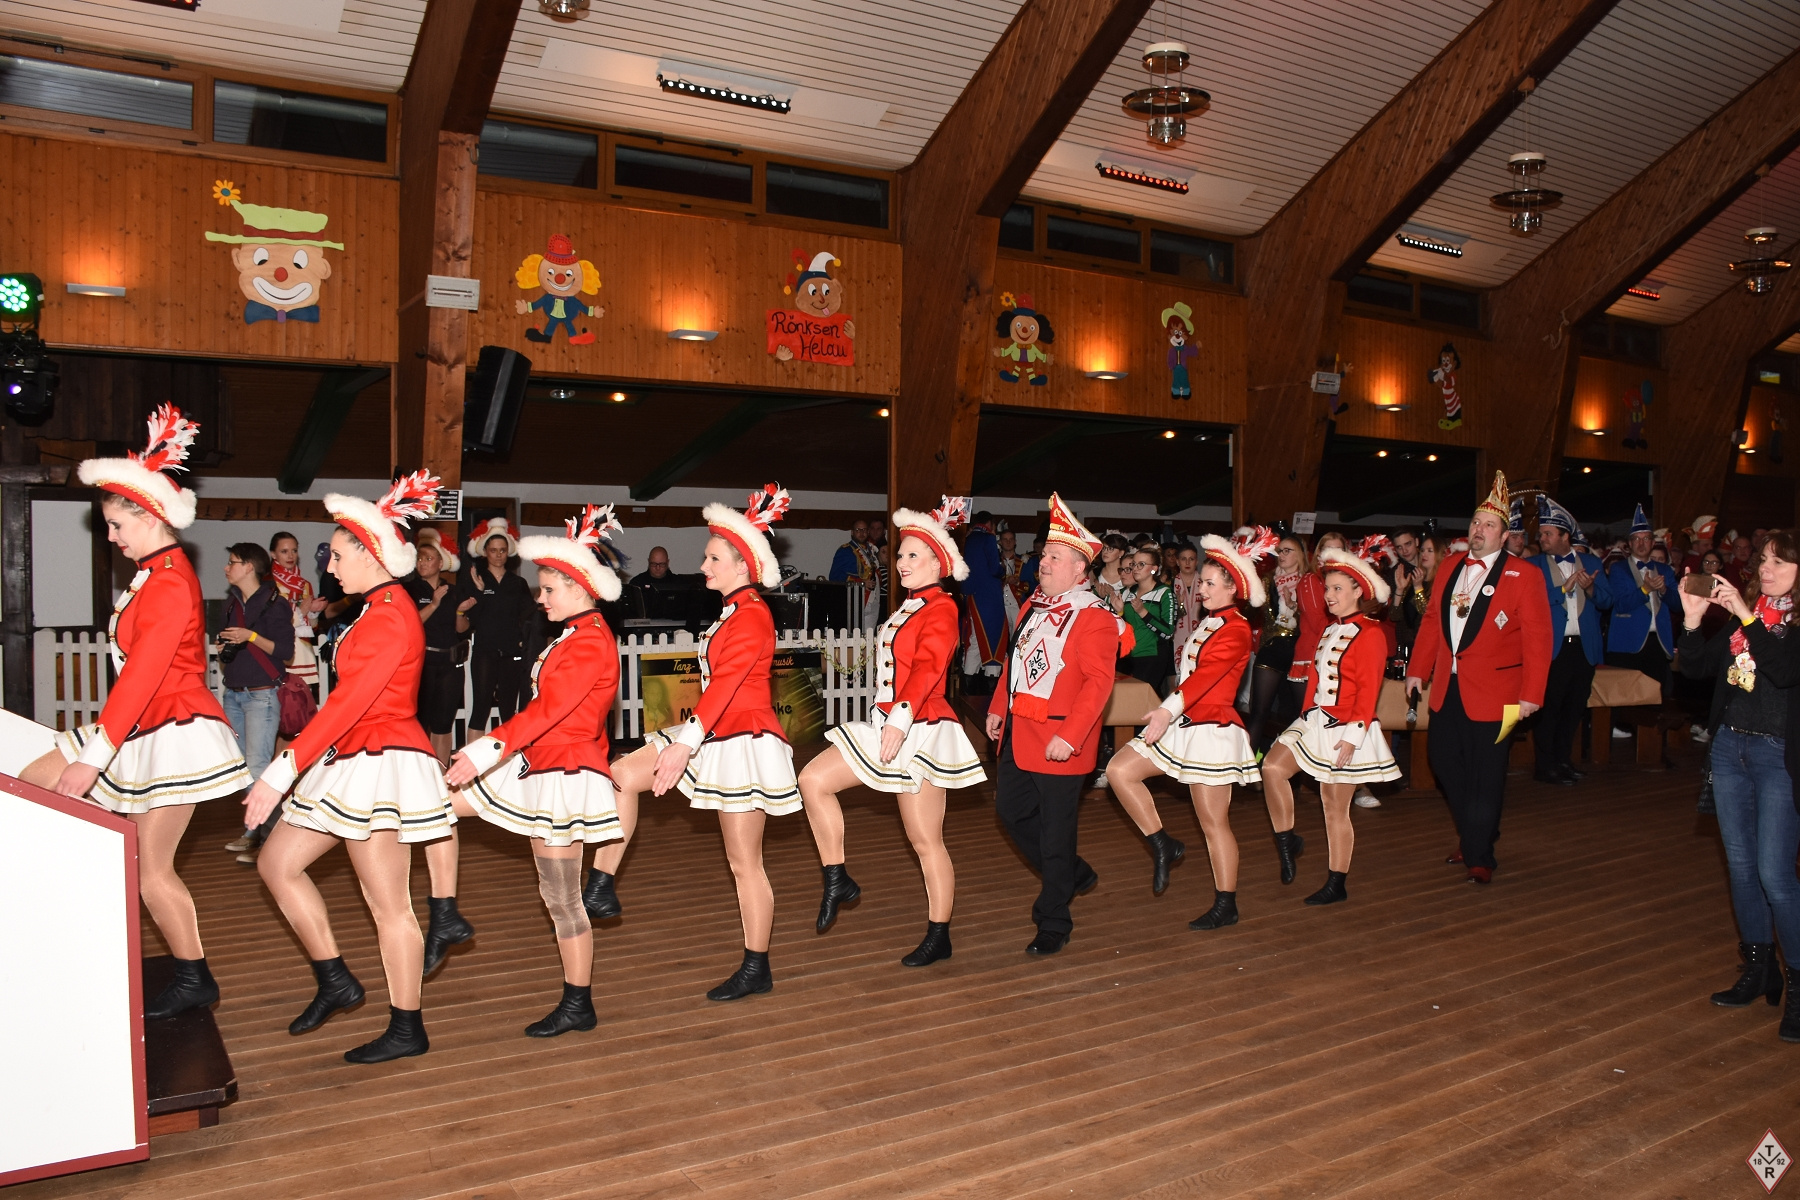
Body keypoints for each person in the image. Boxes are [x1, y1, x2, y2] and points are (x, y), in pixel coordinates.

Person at [21, 406, 251, 1020]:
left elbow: (147, 674)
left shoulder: (170, 581)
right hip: (142, 723)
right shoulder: (153, 575)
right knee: (29, 786)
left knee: (151, 871)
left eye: (118, 524)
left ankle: (193, 977)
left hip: (174, 729)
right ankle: (62, 928)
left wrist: (93, 757)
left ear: (150, 516)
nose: (112, 536)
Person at [242, 473, 460, 1063]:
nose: (330, 566)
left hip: (382, 761)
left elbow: (350, 702)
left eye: (339, 555)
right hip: (351, 756)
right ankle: (335, 978)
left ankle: (407, 1025)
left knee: (388, 906)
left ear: (371, 554)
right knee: (277, 864)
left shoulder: (390, 615)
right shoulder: (374, 609)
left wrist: (282, 768)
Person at [603, 485, 802, 1000]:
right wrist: (690, 737)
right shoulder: (732, 611)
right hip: (712, 730)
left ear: (741, 565)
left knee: (744, 863)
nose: (703, 565)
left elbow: (729, 682)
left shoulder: (753, 613)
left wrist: (685, 742)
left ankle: (757, 966)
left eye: (713, 558)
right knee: (622, 773)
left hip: (744, 740)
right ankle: (601, 887)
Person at [447, 505, 625, 1037]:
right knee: (437, 809)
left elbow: (551, 710)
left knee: (562, 898)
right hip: (541, 761)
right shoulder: (575, 633)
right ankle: (442, 913)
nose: (540, 598)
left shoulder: (589, 640)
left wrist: (485, 749)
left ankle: (578, 1003)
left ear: (579, 587)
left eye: (548, 589)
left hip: (563, 774)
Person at [801, 497, 987, 966]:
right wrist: (890, 718)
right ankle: (837, 877)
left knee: (925, 840)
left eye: (911, 555)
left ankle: (939, 934)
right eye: (899, 554)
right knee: (813, 780)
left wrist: (901, 718)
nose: (900, 562)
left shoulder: (942, 608)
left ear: (937, 564)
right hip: (886, 721)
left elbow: (928, 667)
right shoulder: (907, 606)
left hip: (921, 727)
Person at [1105, 527, 1276, 928]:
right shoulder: (1208, 621)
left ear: (1233, 589)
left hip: (1213, 729)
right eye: (1203, 582)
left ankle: (1226, 903)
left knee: (1213, 823)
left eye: (1211, 584)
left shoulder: (1236, 629)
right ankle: (1163, 843)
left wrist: (1166, 710)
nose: (1201, 589)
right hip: (1184, 721)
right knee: (1119, 770)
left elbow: (1206, 678)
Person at [983, 493, 1131, 955]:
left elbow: (1098, 685)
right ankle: (1073, 872)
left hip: (1062, 739)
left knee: (1054, 834)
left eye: (1052, 557)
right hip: (1020, 732)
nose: (1042, 562)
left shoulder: (1095, 617)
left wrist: (1070, 737)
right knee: (1010, 812)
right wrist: (998, 706)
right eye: (1044, 555)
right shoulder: (1034, 604)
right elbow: (1014, 661)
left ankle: (1054, 920)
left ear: (1079, 569)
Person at [1678, 533, 1800, 1043]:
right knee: (1743, 869)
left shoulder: (1774, 621)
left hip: (1777, 757)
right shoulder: (1749, 616)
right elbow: (1697, 668)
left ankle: (1799, 987)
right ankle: (1759, 969)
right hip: (1731, 749)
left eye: (1780, 562)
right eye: (1764, 560)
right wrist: (1691, 619)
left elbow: (1784, 670)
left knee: (1776, 875)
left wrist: (1748, 616)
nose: (1766, 569)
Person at [1405, 472, 1552, 885]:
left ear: (1504, 536)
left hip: (1500, 694)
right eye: (1475, 522)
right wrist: (1417, 669)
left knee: (1487, 774)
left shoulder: (1524, 575)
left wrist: (1532, 693)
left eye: (1489, 525)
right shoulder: (1451, 565)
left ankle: (1479, 854)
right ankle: (1476, 833)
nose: (1478, 530)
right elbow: (1432, 622)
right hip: (1447, 688)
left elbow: (1539, 639)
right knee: (1443, 761)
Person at [1259, 537, 1401, 904]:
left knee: (1333, 807)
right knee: (1272, 767)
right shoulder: (1328, 629)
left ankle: (1337, 882)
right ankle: (1287, 839)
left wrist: (1353, 737)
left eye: (1338, 589)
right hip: (1316, 718)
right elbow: (1316, 681)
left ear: (1359, 591)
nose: (1329, 595)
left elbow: (1368, 691)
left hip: (1348, 726)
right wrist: (1305, 717)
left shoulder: (1371, 634)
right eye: (1328, 588)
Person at [1525, 498, 1611, 786]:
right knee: (1548, 710)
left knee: (1574, 709)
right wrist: (1563, 589)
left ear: (1565, 537)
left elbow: (1608, 602)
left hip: (1583, 648)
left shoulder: (1592, 563)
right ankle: (1544, 765)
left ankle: (1563, 760)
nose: (1542, 538)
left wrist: (1592, 588)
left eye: (1548, 534)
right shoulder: (1533, 565)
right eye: (1541, 534)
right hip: (1552, 649)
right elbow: (1529, 603)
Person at [219, 541, 295, 861]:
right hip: (234, 694)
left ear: (249, 567)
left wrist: (249, 636)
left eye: (233, 562)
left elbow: (285, 651)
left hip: (262, 695)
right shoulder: (232, 603)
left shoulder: (276, 603)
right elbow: (227, 645)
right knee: (242, 768)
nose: (227, 568)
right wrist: (224, 647)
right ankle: (263, 831)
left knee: (257, 767)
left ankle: (260, 836)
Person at [461, 517, 533, 736]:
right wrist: (481, 592)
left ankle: (508, 755)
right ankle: (471, 757)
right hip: (485, 651)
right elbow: (471, 620)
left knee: (508, 710)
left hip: (511, 652)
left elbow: (529, 616)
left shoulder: (517, 583)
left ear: (508, 552)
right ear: (485, 552)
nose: (498, 555)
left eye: (502, 550)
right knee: (480, 708)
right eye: (493, 550)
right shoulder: (475, 580)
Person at [1604, 504, 1679, 709]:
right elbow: (1619, 605)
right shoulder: (1619, 569)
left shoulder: (1665, 570)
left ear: (1653, 543)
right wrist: (1645, 590)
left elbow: (1678, 605)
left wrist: (1664, 590)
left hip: (1657, 642)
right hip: (1628, 641)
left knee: (1654, 699)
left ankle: (1650, 729)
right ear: (1629, 544)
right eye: (1636, 539)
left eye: (1646, 539)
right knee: (1624, 699)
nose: (1641, 543)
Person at [407, 529, 466, 765]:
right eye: (419, 558)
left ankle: (442, 775)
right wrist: (433, 604)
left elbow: (462, 629)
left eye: (428, 558)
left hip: (450, 664)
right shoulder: (410, 589)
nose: (422, 563)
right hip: (423, 663)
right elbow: (410, 623)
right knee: (419, 723)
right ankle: (419, 773)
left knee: (443, 724)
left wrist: (461, 612)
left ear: (441, 563)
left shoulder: (453, 591)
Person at [1246, 533, 1308, 751]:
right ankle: (1248, 764)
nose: (1281, 555)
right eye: (1279, 551)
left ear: (1300, 554)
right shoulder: (1268, 580)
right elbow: (1250, 612)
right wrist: (1252, 591)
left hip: (1300, 652)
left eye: (1287, 551)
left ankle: (1289, 764)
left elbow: (1316, 619)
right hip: (1272, 648)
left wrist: (1295, 607)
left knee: (1295, 716)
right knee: (1259, 712)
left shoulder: (1309, 582)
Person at [268, 530, 323, 691]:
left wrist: (314, 612)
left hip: (303, 653)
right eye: (284, 551)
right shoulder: (268, 584)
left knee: (301, 703)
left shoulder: (304, 585)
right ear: (273, 554)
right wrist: (300, 613)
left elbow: (313, 627)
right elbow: (269, 624)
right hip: (278, 652)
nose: (290, 556)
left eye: (294, 550)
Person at [1115, 546, 1175, 687]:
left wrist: (1143, 612)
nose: (1135, 568)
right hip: (1127, 657)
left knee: (1141, 697)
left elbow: (1168, 632)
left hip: (1151, 656)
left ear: (1154, 569)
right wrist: (1119, 613)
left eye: (1141, 564)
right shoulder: (1127, 593)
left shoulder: (1164, 593)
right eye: (1134, 564)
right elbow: (1123, 628)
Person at [960, 511, 1006, 689]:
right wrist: (1003, 569)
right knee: (995, 635)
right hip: (989, 595)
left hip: (972, 594)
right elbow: (994, 569)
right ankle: (991, 682)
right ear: (989, 524)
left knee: (975, 638)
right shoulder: (988, 539)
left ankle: (967, 685)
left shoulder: (968, 539)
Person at [829, 517, 882, 628]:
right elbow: (835, 577)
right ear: (852, 532)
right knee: (855, 634)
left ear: (868, 532)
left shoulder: (871, 549)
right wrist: (861, 582)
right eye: (858, 530)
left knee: (869, 635)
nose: (861, 533)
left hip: (874, 599)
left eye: (864, 530)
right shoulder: (845, 551)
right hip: (856, 600)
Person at [1170, 542, 1204, 651]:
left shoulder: (1205, 584)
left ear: (1197, 561)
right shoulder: (1170, 585)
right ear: (1177, 562)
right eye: (1183, 559)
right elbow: (1168, 618)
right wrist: (1179, 604)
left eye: (1191, 559)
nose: (1187, 563)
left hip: (1202, 635)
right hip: (1177, 637)